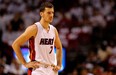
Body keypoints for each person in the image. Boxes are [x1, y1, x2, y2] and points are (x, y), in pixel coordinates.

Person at [12, 2, 62, 75]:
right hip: (38, 69)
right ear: (41, 14)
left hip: (52, 69)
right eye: (48, 13)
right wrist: (25, 63)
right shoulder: (34, 28)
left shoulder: (54, 30)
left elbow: (59, 47)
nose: (51, 15)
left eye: (52, 13)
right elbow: (15, 44)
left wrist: (59, 65)